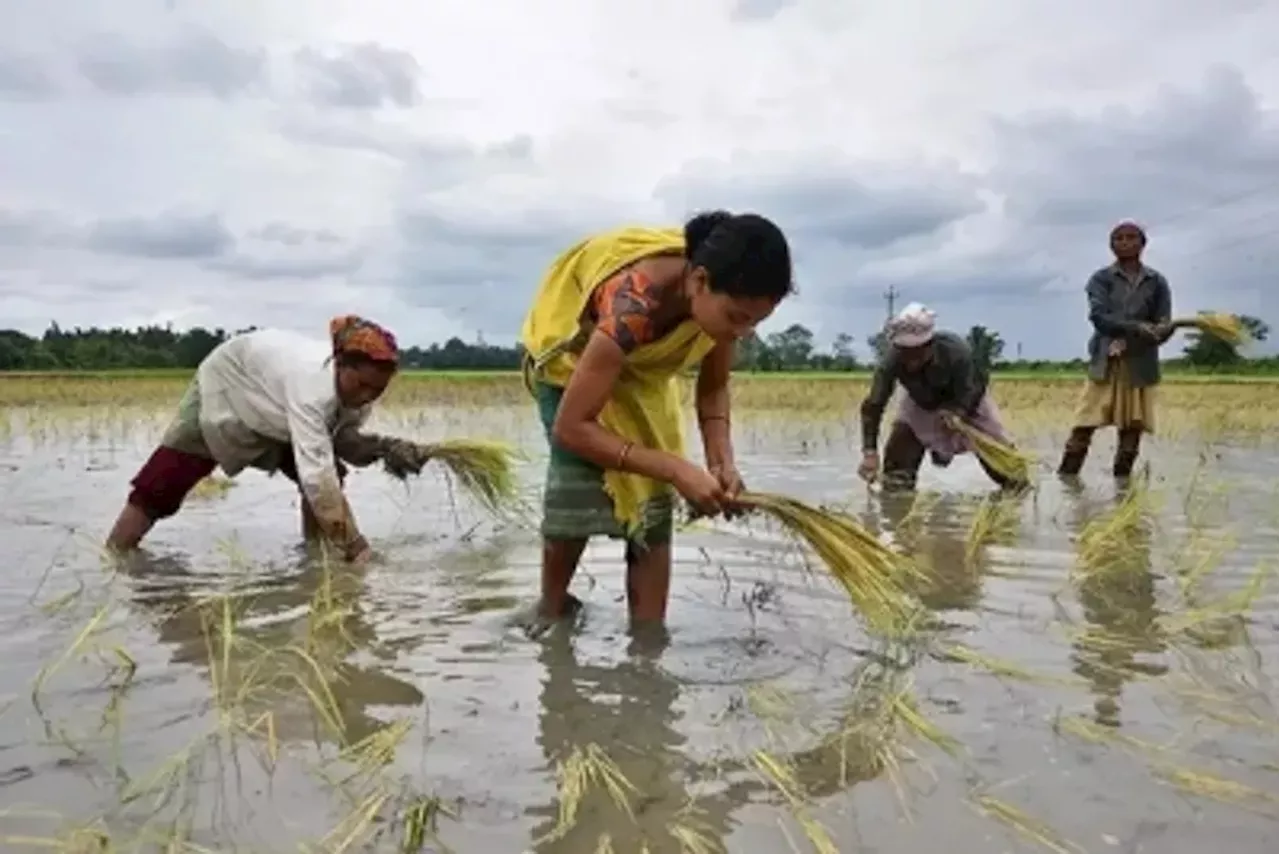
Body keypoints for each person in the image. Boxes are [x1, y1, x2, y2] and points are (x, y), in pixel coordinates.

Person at [520, 211, 794, 626]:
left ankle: (648, 644)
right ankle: (550, 611)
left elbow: (714, 388)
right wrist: (675, 467)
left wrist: (723, 462)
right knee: (575, 488)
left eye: (755, 322)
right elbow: (572, 428)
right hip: (574, 367)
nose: (744, 332)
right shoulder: (633, 302)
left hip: (642, 376)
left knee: (652, 510)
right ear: (699, 281)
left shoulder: (719, 315)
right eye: (738, 317)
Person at [105, 315, 424, 561]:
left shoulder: (354, 396)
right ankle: (115, 555)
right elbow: (318, 478)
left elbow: (340, 441)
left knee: (331, 476)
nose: (368, 395)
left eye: (378, 389)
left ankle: (316, 560)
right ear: (339, 365)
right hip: (230, 383)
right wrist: (356, 547)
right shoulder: (312, 388)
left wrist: (384, 448)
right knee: (165, 481)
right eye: (362, 384)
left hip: (277, 405)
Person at [857, 303, 1023, 491]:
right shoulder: (891, 360)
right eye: (905, 352)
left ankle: (1017, 485)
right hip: (921, 403)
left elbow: (974, 386)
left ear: (930, 344)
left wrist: (958, 411)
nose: (911, 362)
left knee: (1012, 477)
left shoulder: (957, 352)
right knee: (896, 472)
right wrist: (869, 453)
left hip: (967, 402)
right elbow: (874, 405)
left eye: (917, 352)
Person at [1056, 221, 1174, 479]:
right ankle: (1067, 481)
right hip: (1105, 360)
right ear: (1111, 246)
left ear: (1143, 244)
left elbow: (1163, 325)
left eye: (1131, 238)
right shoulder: (1101, 279)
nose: (1125, 243)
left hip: (1139, 363)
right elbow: (1099, 318)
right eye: (1118, 238)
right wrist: (1135, 329)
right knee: (1084, 424)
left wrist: (1139, 338)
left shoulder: (1157, 282)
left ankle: (1122, 490)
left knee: (1132, 430)